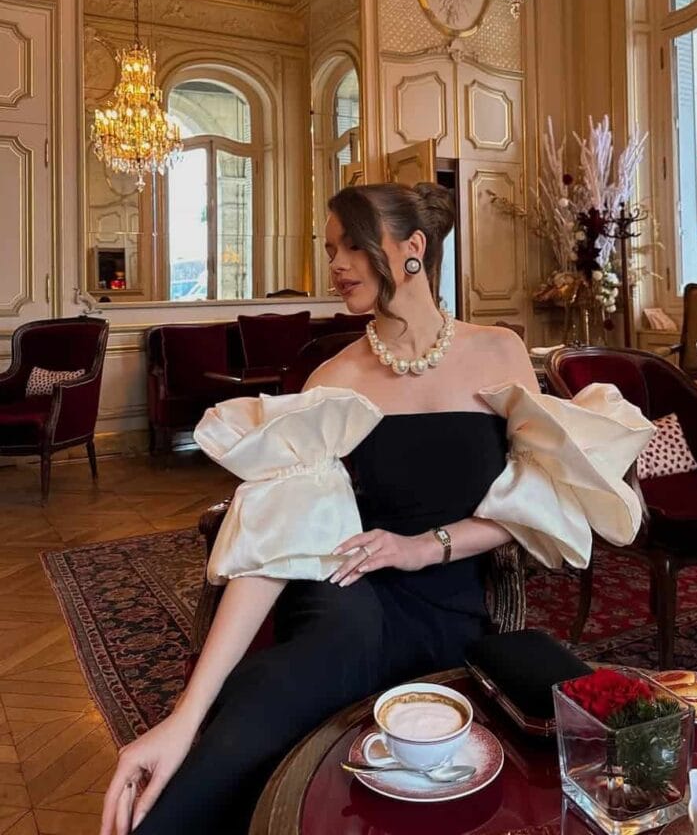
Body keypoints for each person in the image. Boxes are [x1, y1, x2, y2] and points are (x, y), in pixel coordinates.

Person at [100, 182, 650, 835]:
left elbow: (532, 503)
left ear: (413, 247)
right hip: (346, 586)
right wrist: (185, 714)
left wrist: (424, 546)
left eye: (354, 246)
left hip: (449, 599)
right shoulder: (334, 378)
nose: (336, 264)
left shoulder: (499, 351)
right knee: (321, 659)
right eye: (331, 248)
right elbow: (274, 540)